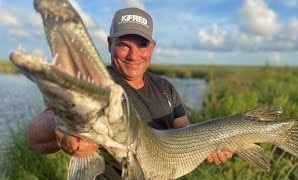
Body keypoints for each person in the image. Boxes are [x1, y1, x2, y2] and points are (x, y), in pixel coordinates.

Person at [28, 7, 233, 179]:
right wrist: (60, 129)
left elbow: (185, 131)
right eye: (124, 45)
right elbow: (35, 137)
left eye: (142, 45)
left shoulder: (165, 87)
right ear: (110, 45)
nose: (133, 56)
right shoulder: (96, 85)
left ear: (152, 48)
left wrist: (212, 144)